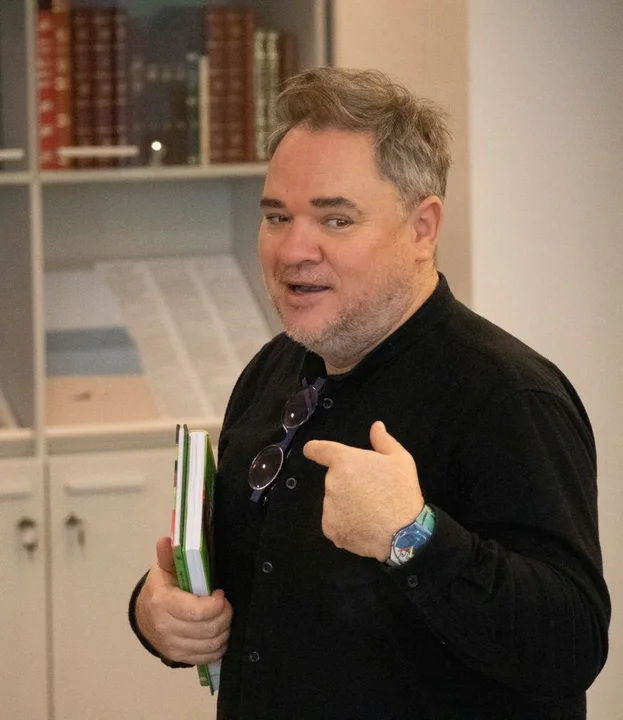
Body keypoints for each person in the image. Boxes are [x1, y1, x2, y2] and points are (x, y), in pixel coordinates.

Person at [129, 67, 610, 719]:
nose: (293, 249)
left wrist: (413, 536)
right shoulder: (272, 369)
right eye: (277, 216)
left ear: (422, 229)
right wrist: (157, 612)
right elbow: (249, 584)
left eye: (335, 219)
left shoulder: (508, 395)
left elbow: (571, 645)